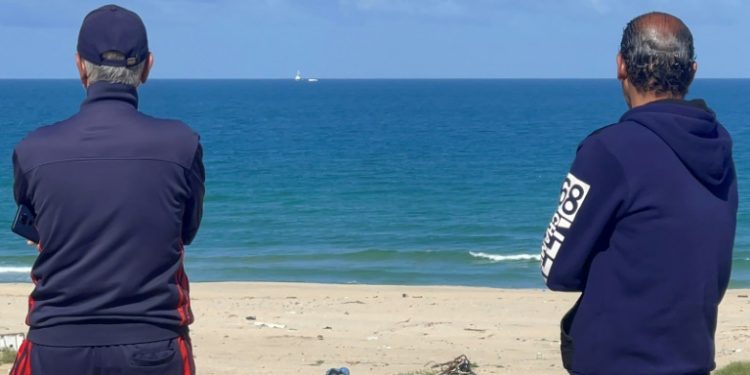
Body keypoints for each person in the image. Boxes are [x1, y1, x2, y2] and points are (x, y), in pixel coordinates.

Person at [10, 4, 204, 375]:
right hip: (153, 344)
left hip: (55, 346)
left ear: (79, 66)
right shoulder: (182, 144)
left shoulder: (33, 149)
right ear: (147, 66)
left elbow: (36, 232)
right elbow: (186, 231)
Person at [540, 12, 737, 375]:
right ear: (692, 71)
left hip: (616, 362)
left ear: (620, 66)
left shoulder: (608, 151)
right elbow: (713, 267)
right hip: (692, 359)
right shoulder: (719, 148)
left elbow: (555, 268)